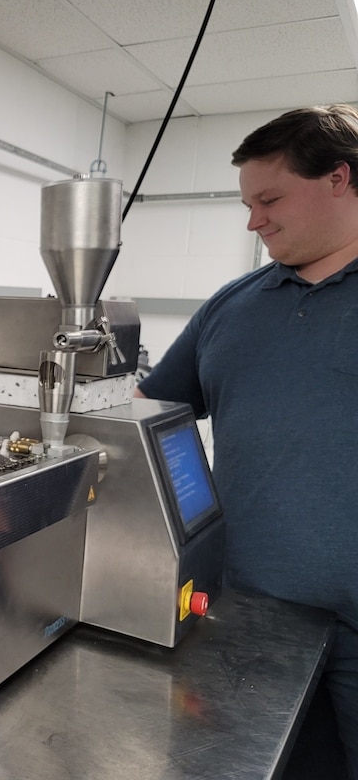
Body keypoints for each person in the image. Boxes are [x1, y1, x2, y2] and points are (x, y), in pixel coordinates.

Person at [136, 104, 358, 779]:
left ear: (339, 180)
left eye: (269, 199)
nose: (253, 220)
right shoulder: (232, 305)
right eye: (246, 203)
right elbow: (147, 409)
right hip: (244, 617)